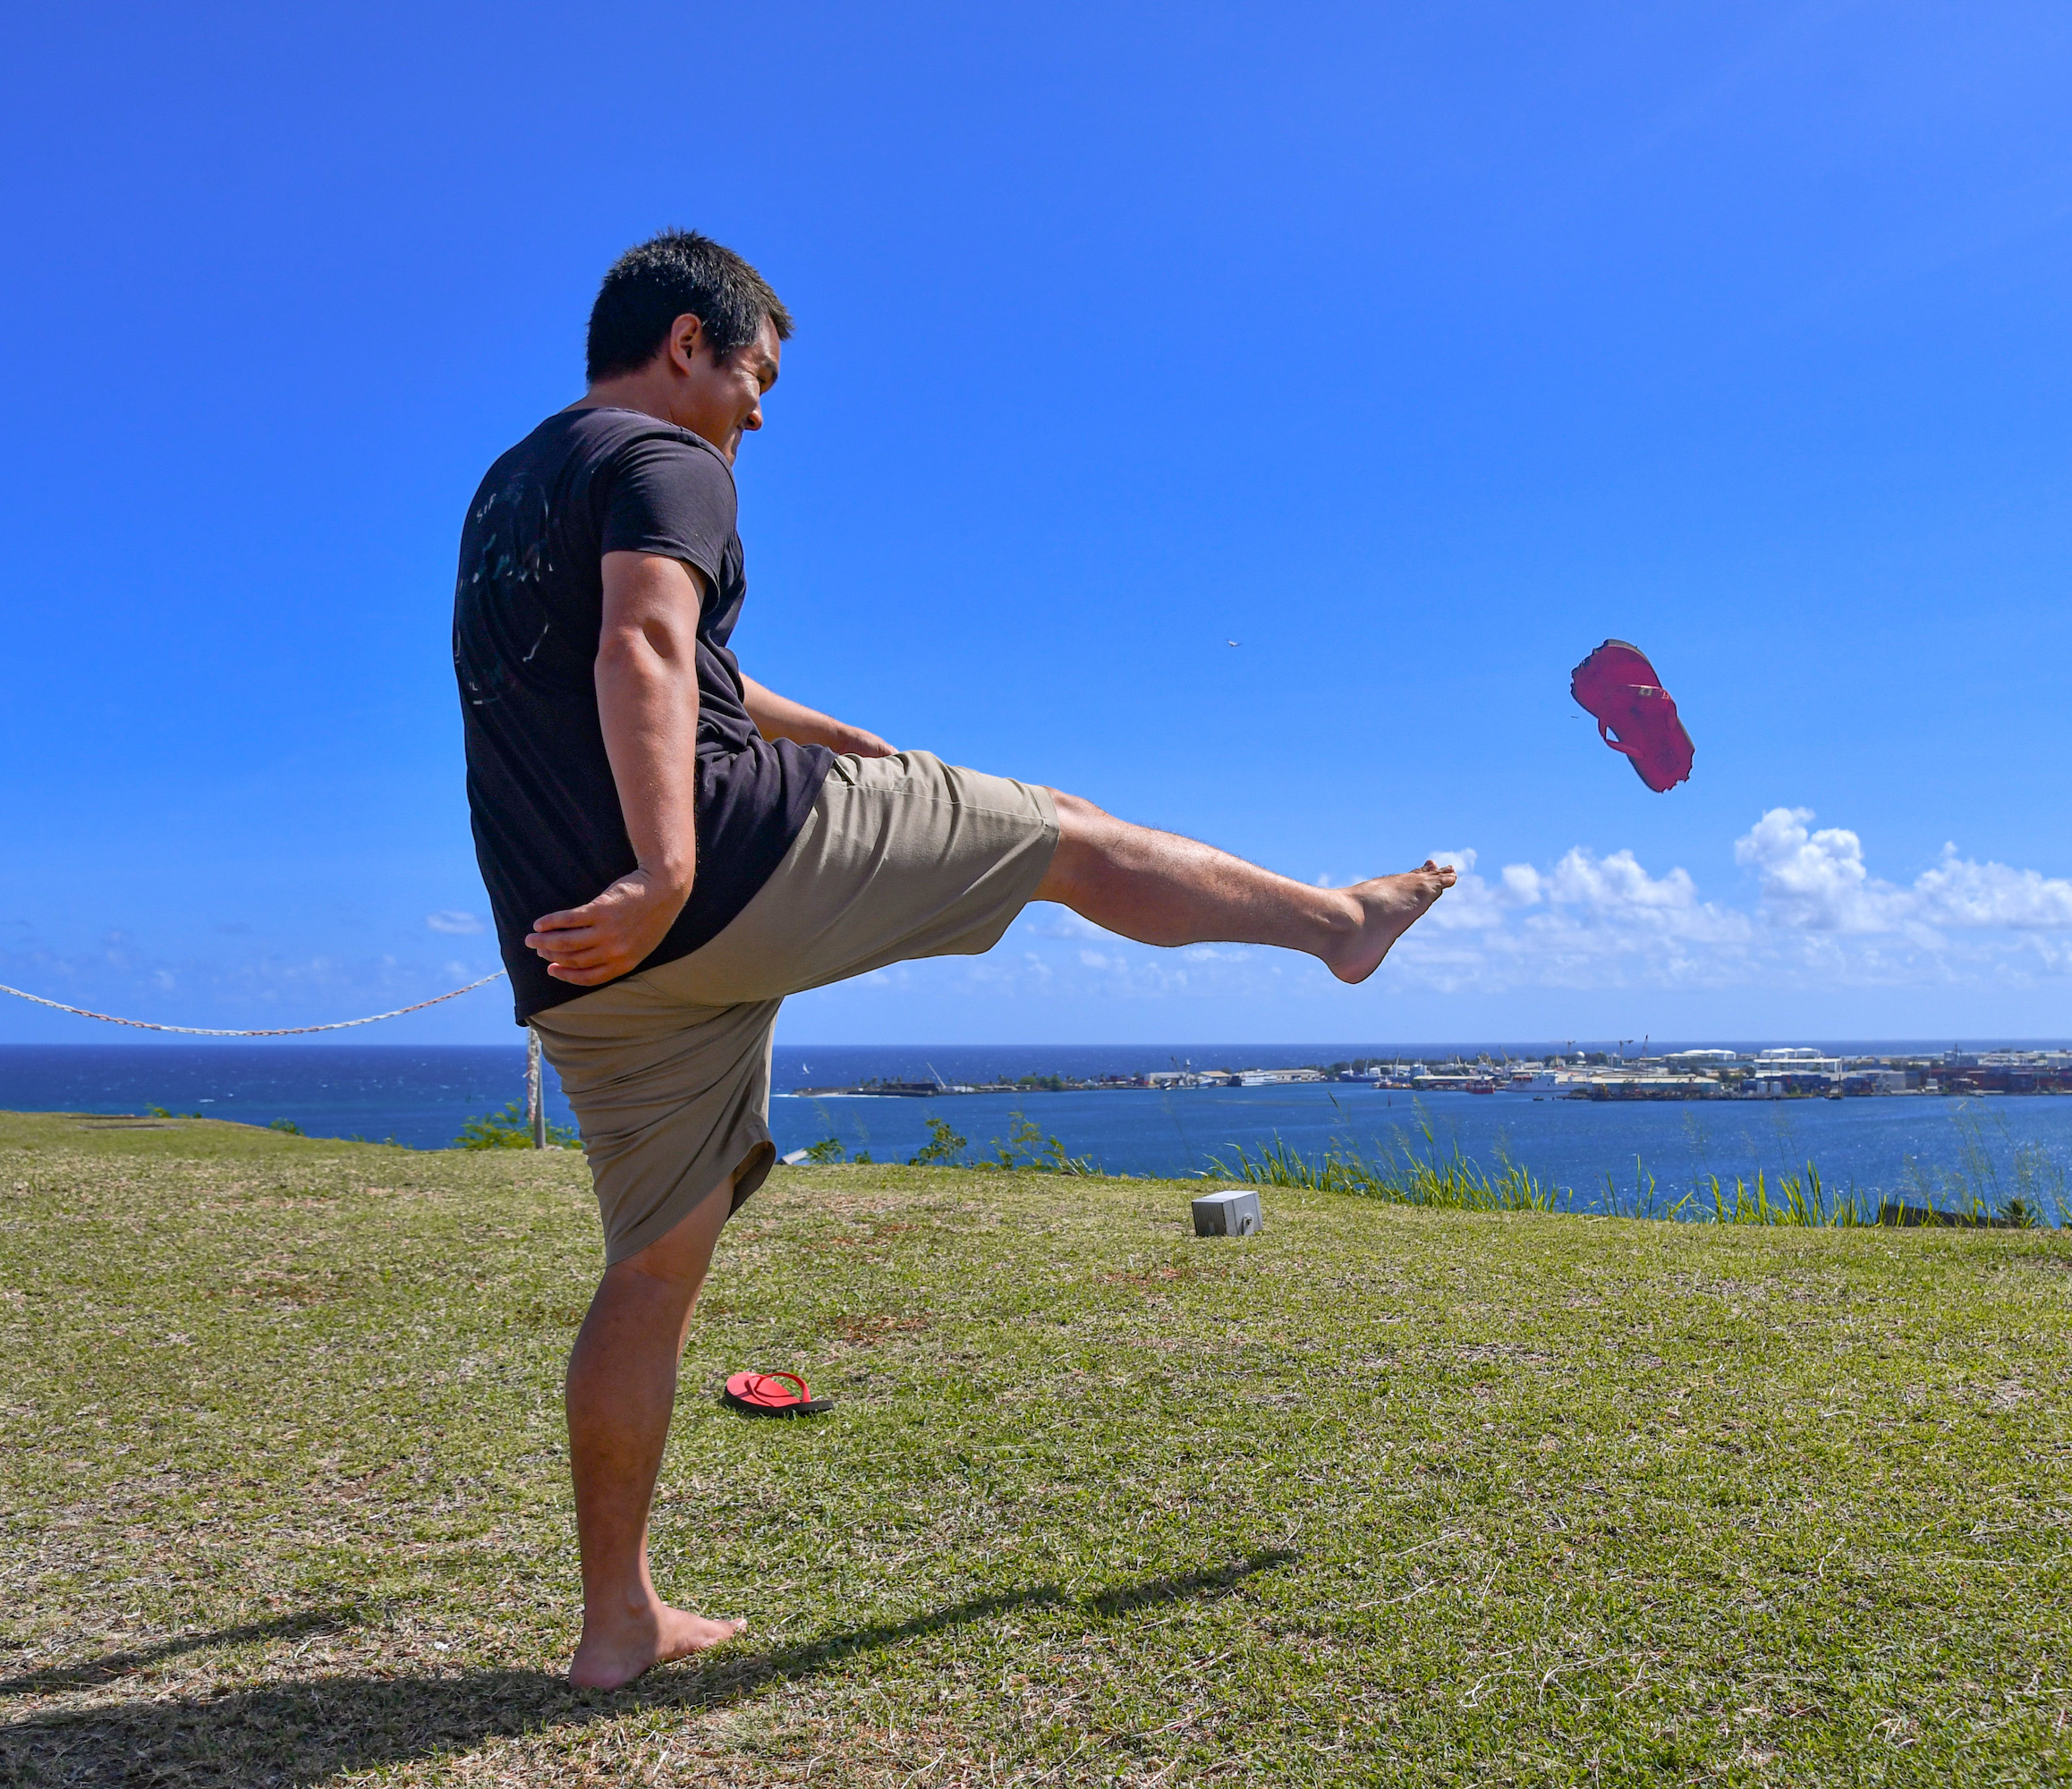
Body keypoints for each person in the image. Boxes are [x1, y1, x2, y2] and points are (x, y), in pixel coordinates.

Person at [454, 229, 1454, 1689]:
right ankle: (1337, 927)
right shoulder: (672, 460)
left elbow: (661, 668)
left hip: (574, 945)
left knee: (652, 1266)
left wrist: (821, 737)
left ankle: (619, 1623)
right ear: (688, 344)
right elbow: (644, 652)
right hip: (702, 878)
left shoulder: (511, 488)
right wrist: (670, 870)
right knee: (1061, 827)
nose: (759, 409)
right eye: (757, 374)